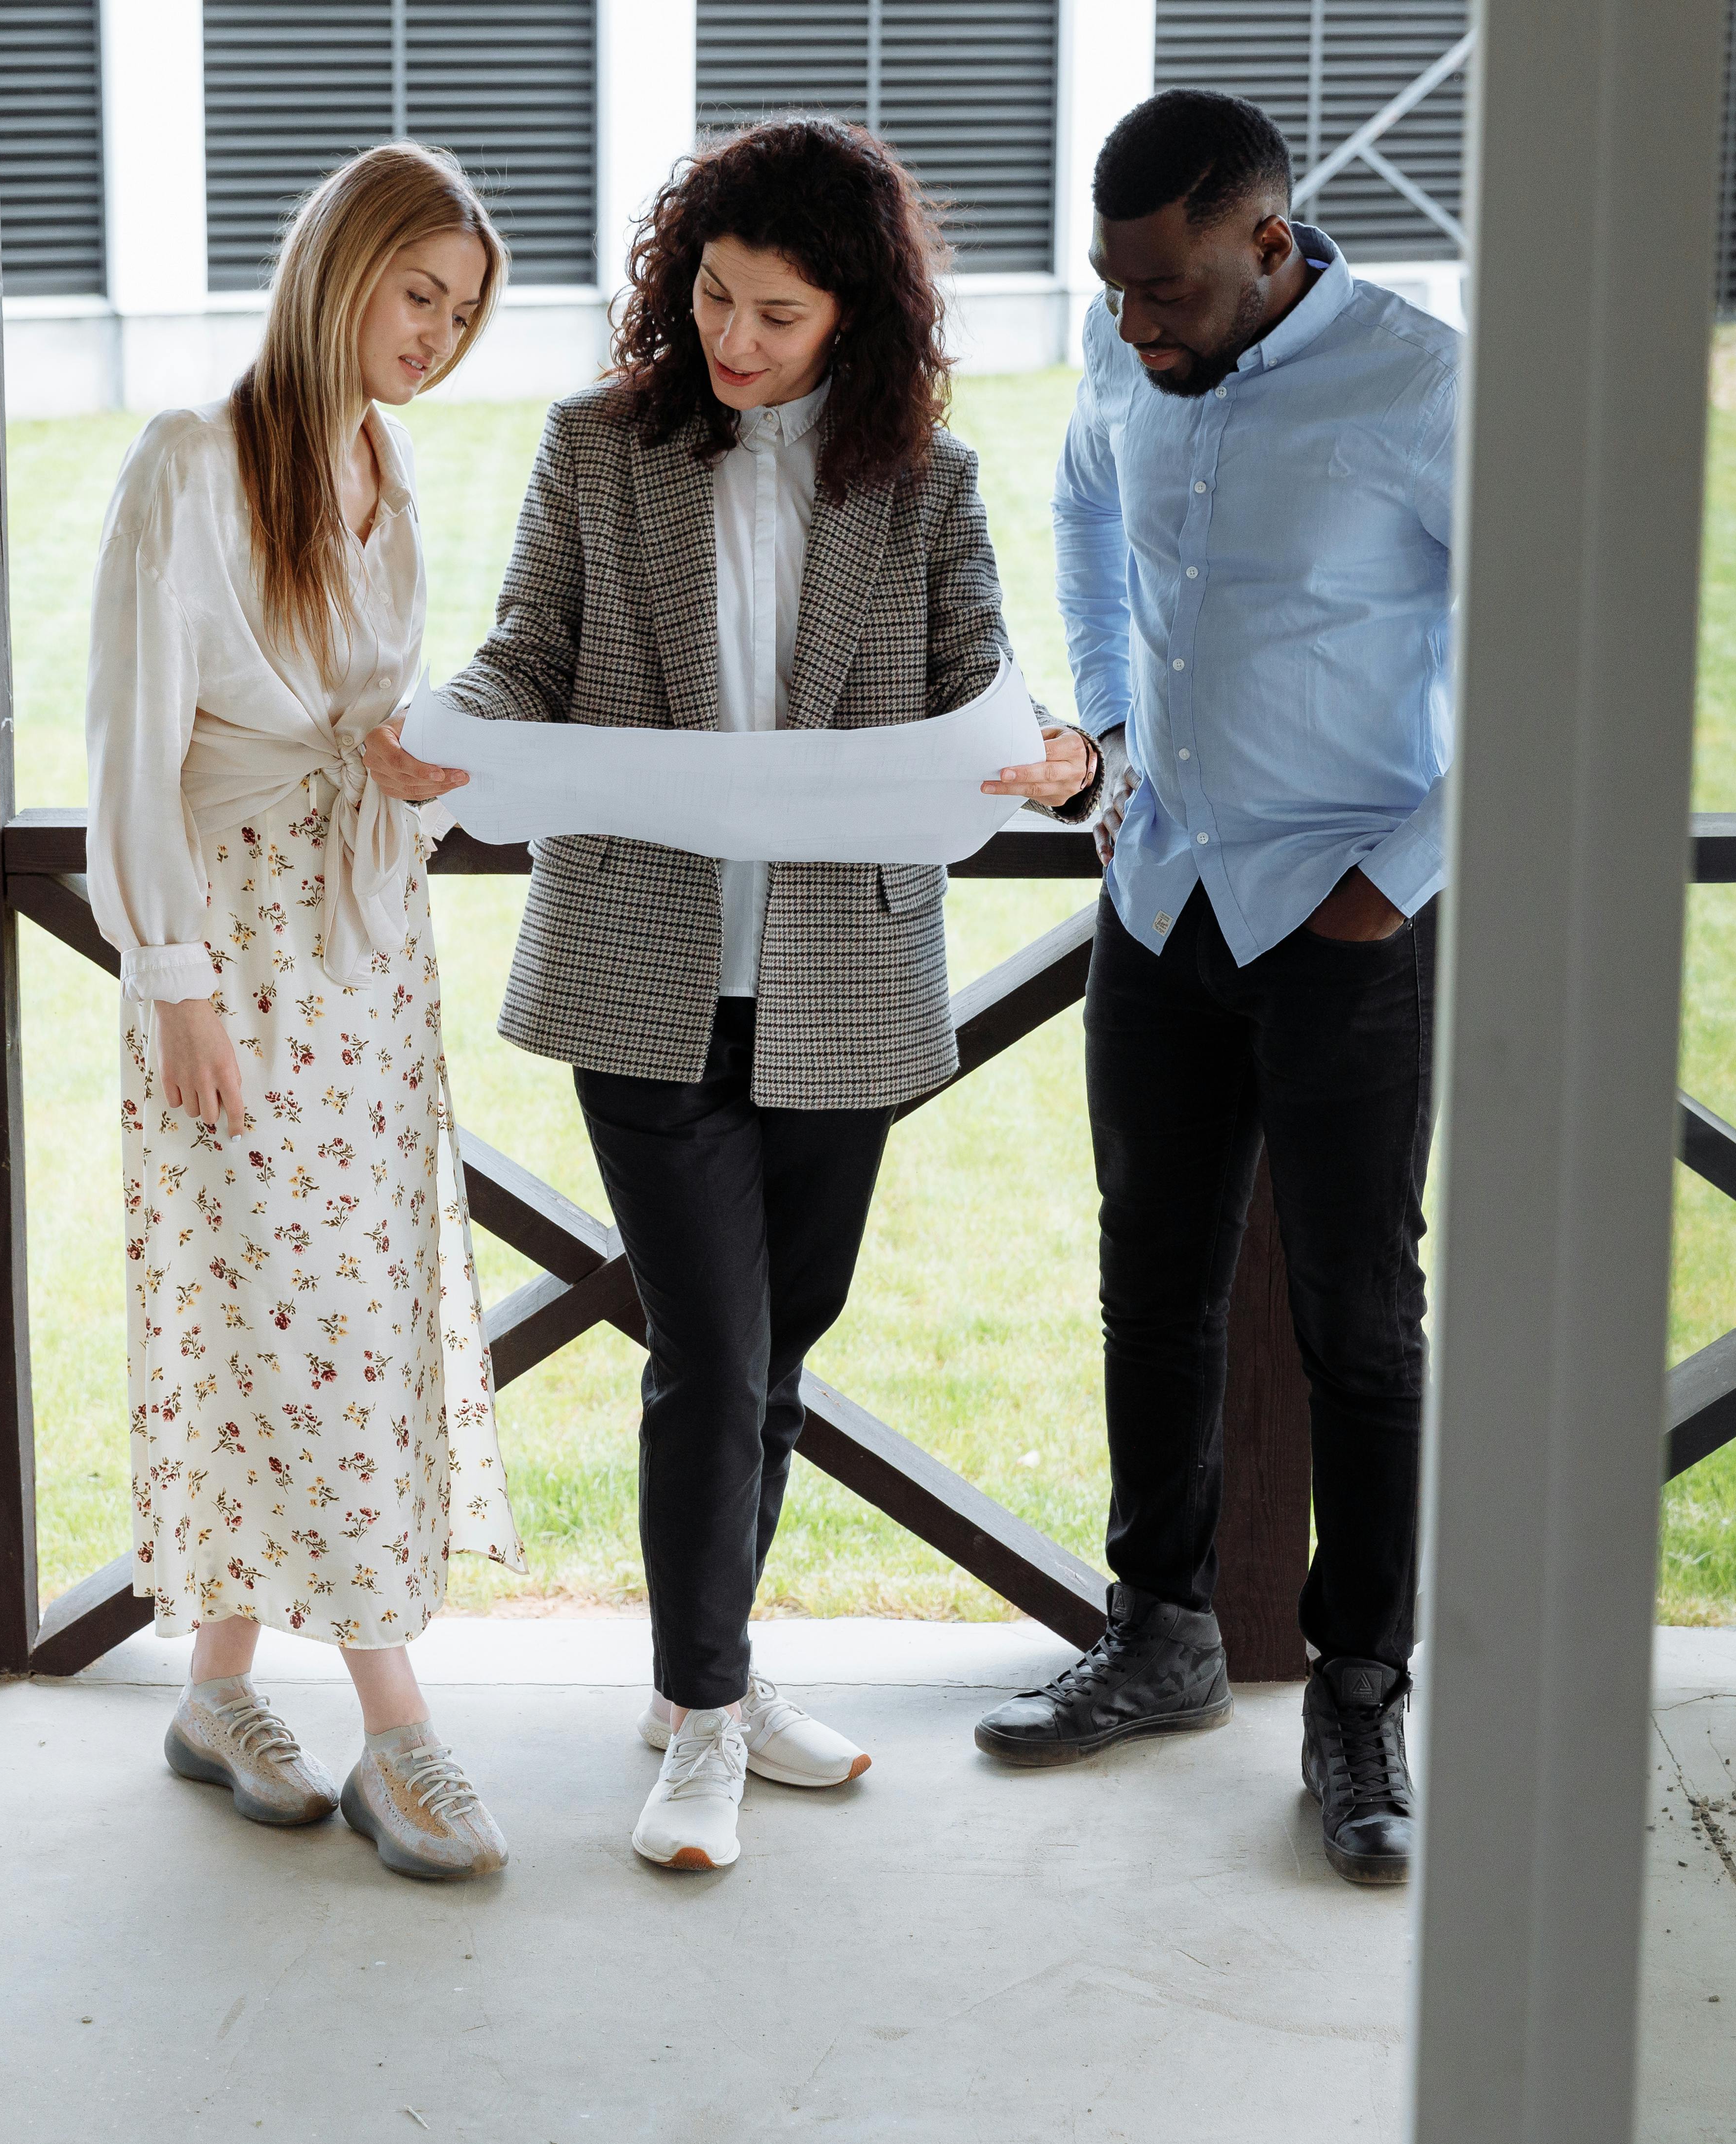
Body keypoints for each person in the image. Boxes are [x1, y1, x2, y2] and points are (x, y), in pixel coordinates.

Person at [438, 117, 1104, 1873]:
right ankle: (709, 1721)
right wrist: (458, 730)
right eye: (714, 298)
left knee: (777, 1351)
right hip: (642, 968)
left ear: (855, 319)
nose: (733, 341)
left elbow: (984, 682)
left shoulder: (927, 484)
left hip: (841, 981)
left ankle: (695, 1688)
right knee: (710, 1357)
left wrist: (1054, 758)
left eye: (777, 315)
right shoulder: (601, 449)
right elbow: (531, 641)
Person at [969, 89, 1457, 1889]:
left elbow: (1546, 633)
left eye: (1167, 289)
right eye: (1113, 290)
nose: (1133, 325)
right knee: (1150, 1284)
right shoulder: (1132, 359)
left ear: (1269, 243)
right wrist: (1101, 734)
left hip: (1349, 928)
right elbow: (1083, 510)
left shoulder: (1423, 388)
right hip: (1163, 899)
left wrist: (1389, 878)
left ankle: (1357, 1694)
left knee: (1360, 1324)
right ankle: (1162, 1638)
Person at [83, 144, 523, 1883]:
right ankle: (397, 1730)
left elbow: (363, 720)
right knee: (277, 1299)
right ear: (338, 270)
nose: (436, 335)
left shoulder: (384, 468)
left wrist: (410, 767)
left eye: (464, 311)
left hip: (366, 949)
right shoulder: (192, 465)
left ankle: (214, 1689)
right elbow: (131, 747)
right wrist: (173, 977)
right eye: (419, 293)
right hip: (233, 952)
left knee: (336, 1306)